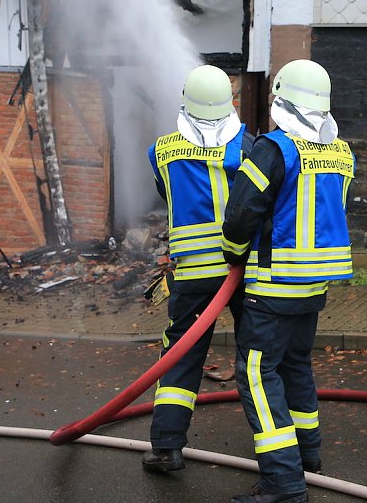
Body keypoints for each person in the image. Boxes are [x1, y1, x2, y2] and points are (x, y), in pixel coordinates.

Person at [221, 59, 355, 503]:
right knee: (296, 367)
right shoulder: (341, 153)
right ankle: (307, 456)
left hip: (272, 289)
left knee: (257, 376)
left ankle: (282, 481)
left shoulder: (273, 149)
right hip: (314, 289)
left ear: (283, 101)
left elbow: (241, 214)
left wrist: (234, 256)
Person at [143, 64, 253, 473]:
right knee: (258, 357)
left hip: (192, 273)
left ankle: (167, 448)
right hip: (244, 271)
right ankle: (277, 451)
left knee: (182, 356)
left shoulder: (162, 150)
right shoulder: (252, 145)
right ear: (230, 103)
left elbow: (165, 192)